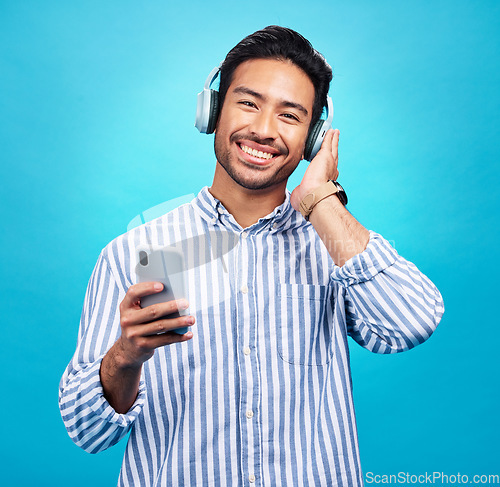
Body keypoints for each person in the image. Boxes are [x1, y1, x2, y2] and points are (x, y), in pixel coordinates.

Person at [59, 25, 444, 486]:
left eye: (290, 115)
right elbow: (86, 431)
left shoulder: (335, 246)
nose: (263, 130)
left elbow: (412, 321)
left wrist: (320, 200)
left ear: (313, 138)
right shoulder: (136, 251)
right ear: (213, 111)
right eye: (248, 102)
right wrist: (125, 357)